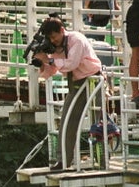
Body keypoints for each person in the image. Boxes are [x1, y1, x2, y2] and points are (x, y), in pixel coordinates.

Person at [33, 15, 102, 170]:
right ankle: (63, 160)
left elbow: (71, 63)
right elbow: (51, 71)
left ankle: (102, 157)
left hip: (94, 79)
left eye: (54, 37)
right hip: (76, 83)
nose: (53, 41)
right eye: (49, 38)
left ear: (62, 30)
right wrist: (42, 62)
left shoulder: (76, 39)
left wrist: (49, 60)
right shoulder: (53, 46)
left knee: (100, 120)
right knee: (67, 119)